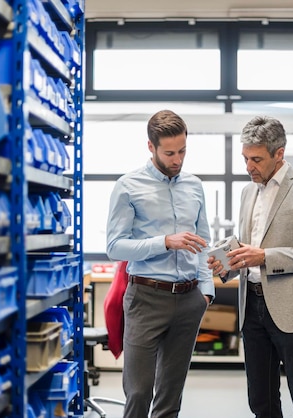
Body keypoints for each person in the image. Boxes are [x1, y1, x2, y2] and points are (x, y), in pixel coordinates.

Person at [208, 115, 293, 418]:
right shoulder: (247, 192)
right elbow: (246, 245)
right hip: (251, 307)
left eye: (256, 159)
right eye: (245, 158)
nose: (248, 167)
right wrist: (226, 263)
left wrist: (266, 257)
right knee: (261, 402)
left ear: (279, 154)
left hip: (292, 310)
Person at [106, 109, 214, 418]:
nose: (177, 159)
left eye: (182, 151)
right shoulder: (128, 186)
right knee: (139, 392)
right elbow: (115, 246)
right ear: (151, 147)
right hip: (146, 297)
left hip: (189, 299)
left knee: (170, 396)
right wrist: (165, 241)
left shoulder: (194, 186)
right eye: (169, 152)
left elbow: (202, 243)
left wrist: (205, 291)